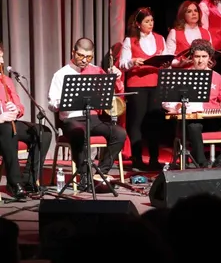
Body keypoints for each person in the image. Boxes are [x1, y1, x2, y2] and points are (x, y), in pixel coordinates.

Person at [48, 38, 127, 190]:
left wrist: (116, 79)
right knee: (79, 133)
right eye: (80, 55)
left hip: (93, 118)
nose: (84, 60)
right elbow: (51, 104)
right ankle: (84, 176)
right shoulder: (61, 74)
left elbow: (115, 96)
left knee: (119, 133)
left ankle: (99, 175)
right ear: (73, 52)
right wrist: (63, 102)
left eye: (89, 57)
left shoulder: (96, 71)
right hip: (72, 119)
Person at [161, 39, 221, 168]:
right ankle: (201, 162)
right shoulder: (183, 76)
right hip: (194, 120)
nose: (200, 60)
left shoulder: (217, 77)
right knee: (194, 127)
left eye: (203, 57)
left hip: (213, 118)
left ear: (209, 58)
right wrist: (176, 106)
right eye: (197, 57)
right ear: (192, 58)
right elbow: (167, 102)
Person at [0, 42, 52, 198]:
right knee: (7, 130)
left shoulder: (6, 81)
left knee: (43, 132)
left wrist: (16, 110)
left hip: (10, 123)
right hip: (2, 126)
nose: (1, 61)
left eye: (1, 57)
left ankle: (29, 179)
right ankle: (14, 183)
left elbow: (19, 105)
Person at [119, 7, 167, 169]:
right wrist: (132, 61)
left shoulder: (160, 39)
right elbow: (122, 64)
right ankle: (137, 158)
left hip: (156, 84)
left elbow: (165, 58)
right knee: (137, 122)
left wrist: (167, 63)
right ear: (138, 24)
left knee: (154, 121)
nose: (150, 24)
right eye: (147, 21)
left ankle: (154, 159)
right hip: (137, 84)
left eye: (152, 21)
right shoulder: (130, 41)